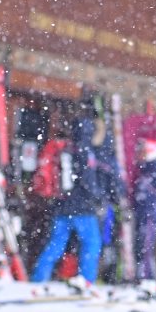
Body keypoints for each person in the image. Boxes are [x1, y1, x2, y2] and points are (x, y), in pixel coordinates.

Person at [30, 112, 115, 289]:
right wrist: (99, 197)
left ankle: (39, 278)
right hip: (82, 208)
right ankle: (86, 280)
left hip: (62, 206)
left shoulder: (66, 148)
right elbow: (88, 181)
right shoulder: (86, 151)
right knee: (91, 244)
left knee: (56, 244)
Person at [133, 137, 156, 290]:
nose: (139, 154)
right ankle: (142, 276)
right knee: (140, 245)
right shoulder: (144, 169)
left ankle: (146, 277)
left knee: (145, 246)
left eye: (142, 151)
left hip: (150, 214)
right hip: (142, 212)